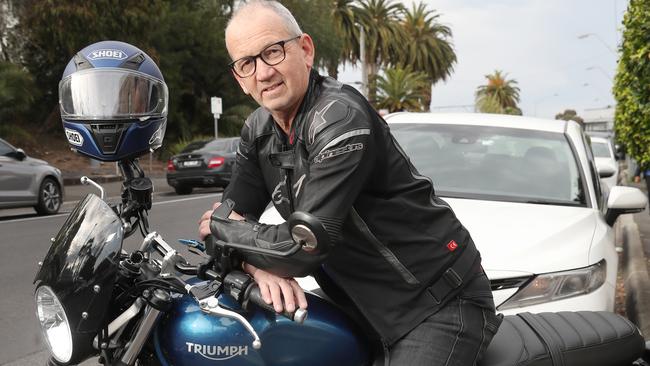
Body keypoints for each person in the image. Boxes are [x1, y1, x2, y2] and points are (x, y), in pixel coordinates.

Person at [198, 1, 501, 364]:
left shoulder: (340, 120)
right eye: (247, 63)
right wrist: (254, 265)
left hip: (436, 307)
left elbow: (301, 247)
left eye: (273, 52)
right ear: (239, 77)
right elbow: (223, 221)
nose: (263, 73)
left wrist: (226, 232)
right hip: (360, 307)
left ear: (305, 50)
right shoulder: (259, 131)